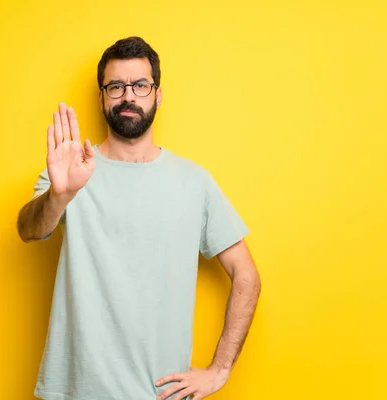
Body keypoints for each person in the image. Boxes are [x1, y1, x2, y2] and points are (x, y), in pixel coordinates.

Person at [17, 36, 261, 400]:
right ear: (101, 97)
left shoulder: (193, 182)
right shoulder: (70, 171)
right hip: (73, 393)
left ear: (157, 95)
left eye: (140, 85)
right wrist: (61, 195)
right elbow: (29, 230)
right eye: (116, 86)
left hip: (159, 394)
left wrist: (218, 370)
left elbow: (247, 275)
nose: (128, 96)